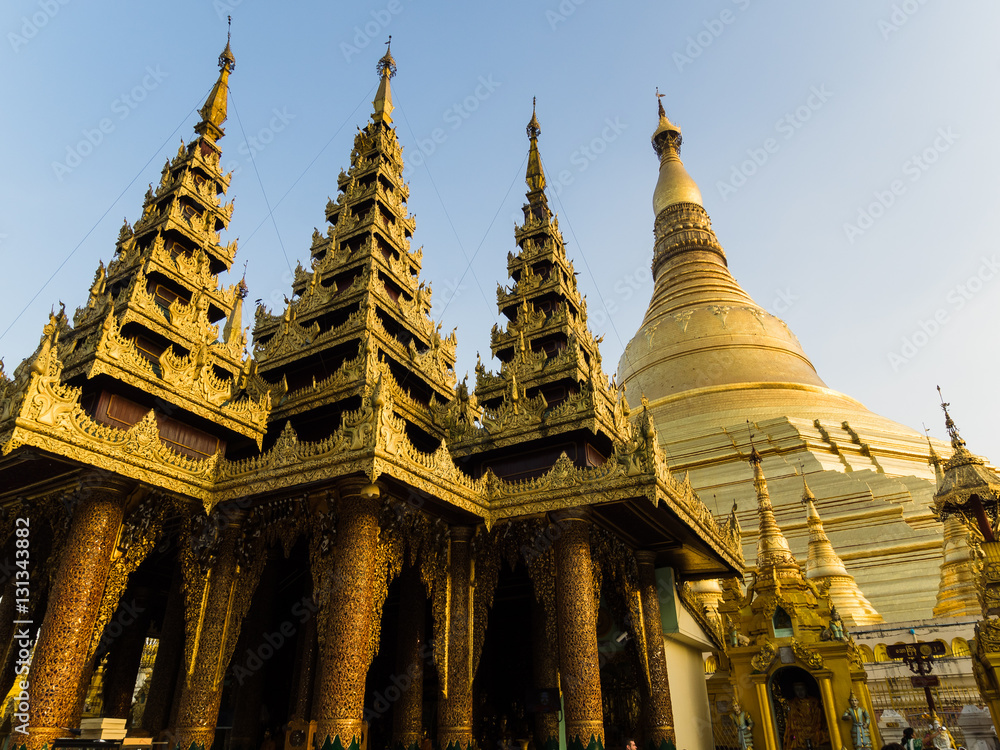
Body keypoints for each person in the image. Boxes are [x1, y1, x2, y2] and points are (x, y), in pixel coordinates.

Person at [782, 681, 829, 750]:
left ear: (806, 689)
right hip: (799, 733)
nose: (800, 692)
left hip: (814, 731)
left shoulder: (814, 702)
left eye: (802, 689)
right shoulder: (792, 704)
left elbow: (819, 718)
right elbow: (791, 721)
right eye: (797, 690)